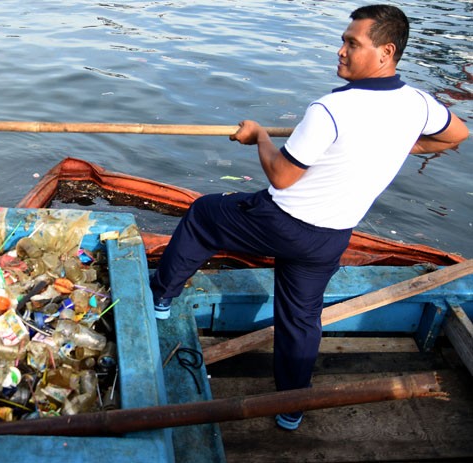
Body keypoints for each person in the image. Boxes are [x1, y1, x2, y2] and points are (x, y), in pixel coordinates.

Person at [149, 4, 468, 431]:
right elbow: (457, 133)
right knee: (301, 318)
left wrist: (259, 136)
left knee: (205, 213)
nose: (340, 50)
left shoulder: (330, 110)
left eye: (352, 43)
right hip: (333, 236)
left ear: (386, 51)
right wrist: (403, 144)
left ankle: (162, 297)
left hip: (283, 222)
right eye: (343, 40)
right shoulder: (418, 104)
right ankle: (291, 406)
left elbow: (281, 177)